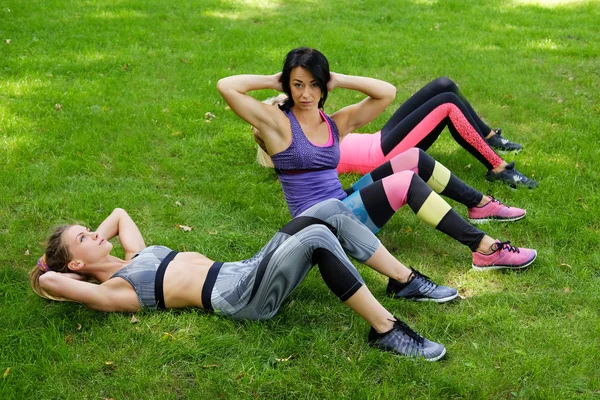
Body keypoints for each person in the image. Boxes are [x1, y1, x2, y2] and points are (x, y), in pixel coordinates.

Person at [217, 47, 537, 272]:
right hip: (322, 225)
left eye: (314, 85)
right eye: (297, 85)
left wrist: (337, 78)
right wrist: (277, 80)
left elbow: (386, 92)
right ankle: (484, 249)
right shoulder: (277, 126)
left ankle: (480, 203)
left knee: (412, 158)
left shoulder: (333, 123)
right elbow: (227, 86)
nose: (305, 94)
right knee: (406, 182)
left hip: (344, 204)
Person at [31, 200, 457, 361]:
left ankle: (404, 281)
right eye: (84, 237)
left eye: (88, 228)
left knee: (328, 209)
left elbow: (122, 213)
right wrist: (50, 269)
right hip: (237, 298)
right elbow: (55, 286)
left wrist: (86, 245)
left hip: (243, 270)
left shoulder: (135, 256)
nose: (94, 232)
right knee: (317, 237)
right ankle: (386, 330)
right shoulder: (111, 291)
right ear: (76, 268)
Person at [337, 77, 538, 189]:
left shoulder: (315, 121)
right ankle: (498, 169)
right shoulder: (305, 148)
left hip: (378, 139)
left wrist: (337, 79)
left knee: (444, 85)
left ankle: (488, 136)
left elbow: (386, 92)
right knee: (447, 104)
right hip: (380, 158)